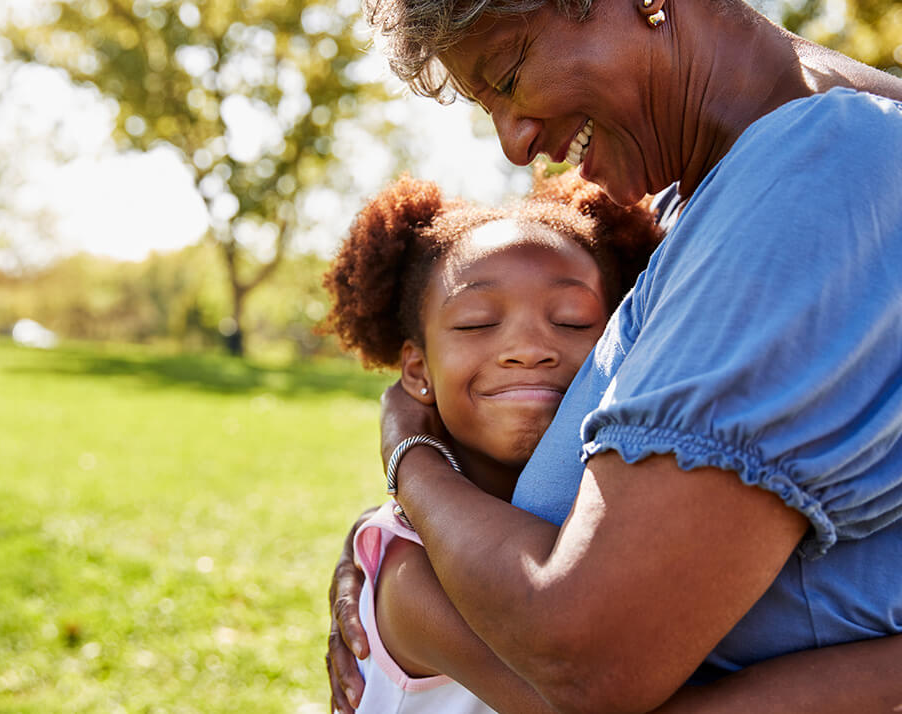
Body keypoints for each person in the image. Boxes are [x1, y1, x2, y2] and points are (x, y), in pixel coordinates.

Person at [326, 0, 902, 712]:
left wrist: (407, 453)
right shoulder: (683, 210)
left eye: (507, 76)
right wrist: (392, 546)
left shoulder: (819, 173)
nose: (513, 143)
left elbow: (586, 660)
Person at [322, 170, 662, 712]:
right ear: (417, 368)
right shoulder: (411, 573)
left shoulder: (613, 506)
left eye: (573, 321)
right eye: (478, 323)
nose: (528, 348)